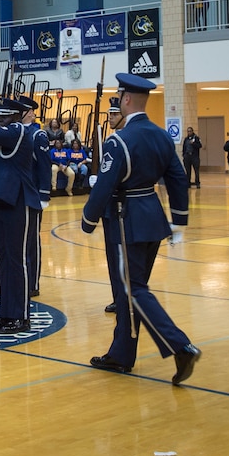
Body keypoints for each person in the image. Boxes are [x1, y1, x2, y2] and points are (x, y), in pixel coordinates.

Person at [82, 73, 200, 385]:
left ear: (127, 99)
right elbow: (177, 177)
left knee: (133, 289)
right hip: (153, 218)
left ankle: (180, 345)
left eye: (120, 97)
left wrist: (88, 219)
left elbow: (105, 184)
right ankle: (121, 354)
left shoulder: (119, 140)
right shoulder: (161, 136)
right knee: (129, 290)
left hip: (125, 221)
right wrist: (179, 217)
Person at [0, 97, 41, 334]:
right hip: (1, 201)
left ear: (15, 117)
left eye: (3, 116)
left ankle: (21, 316)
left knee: (17, 260)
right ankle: (6, 314)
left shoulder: (18, 132)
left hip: (18, 201)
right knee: (3, 260)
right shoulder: (8, 132)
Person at [18, 95, 49, 298]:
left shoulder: (38, 135)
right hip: (17, 194)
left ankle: (33, 282)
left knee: (31, 240)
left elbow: (45, 167)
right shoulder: (17, 132)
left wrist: (44, 194)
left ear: (29, 112)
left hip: (33, 194)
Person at [100, 98, 126, 314]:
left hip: (121, 207)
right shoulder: (109, 139)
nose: (111, 118)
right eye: (109, 114)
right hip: (109, 207)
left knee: (120, 257)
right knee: (112, 256)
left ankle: (124, 297)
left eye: (115, 114)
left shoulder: (123, 141)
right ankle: (117, 296)